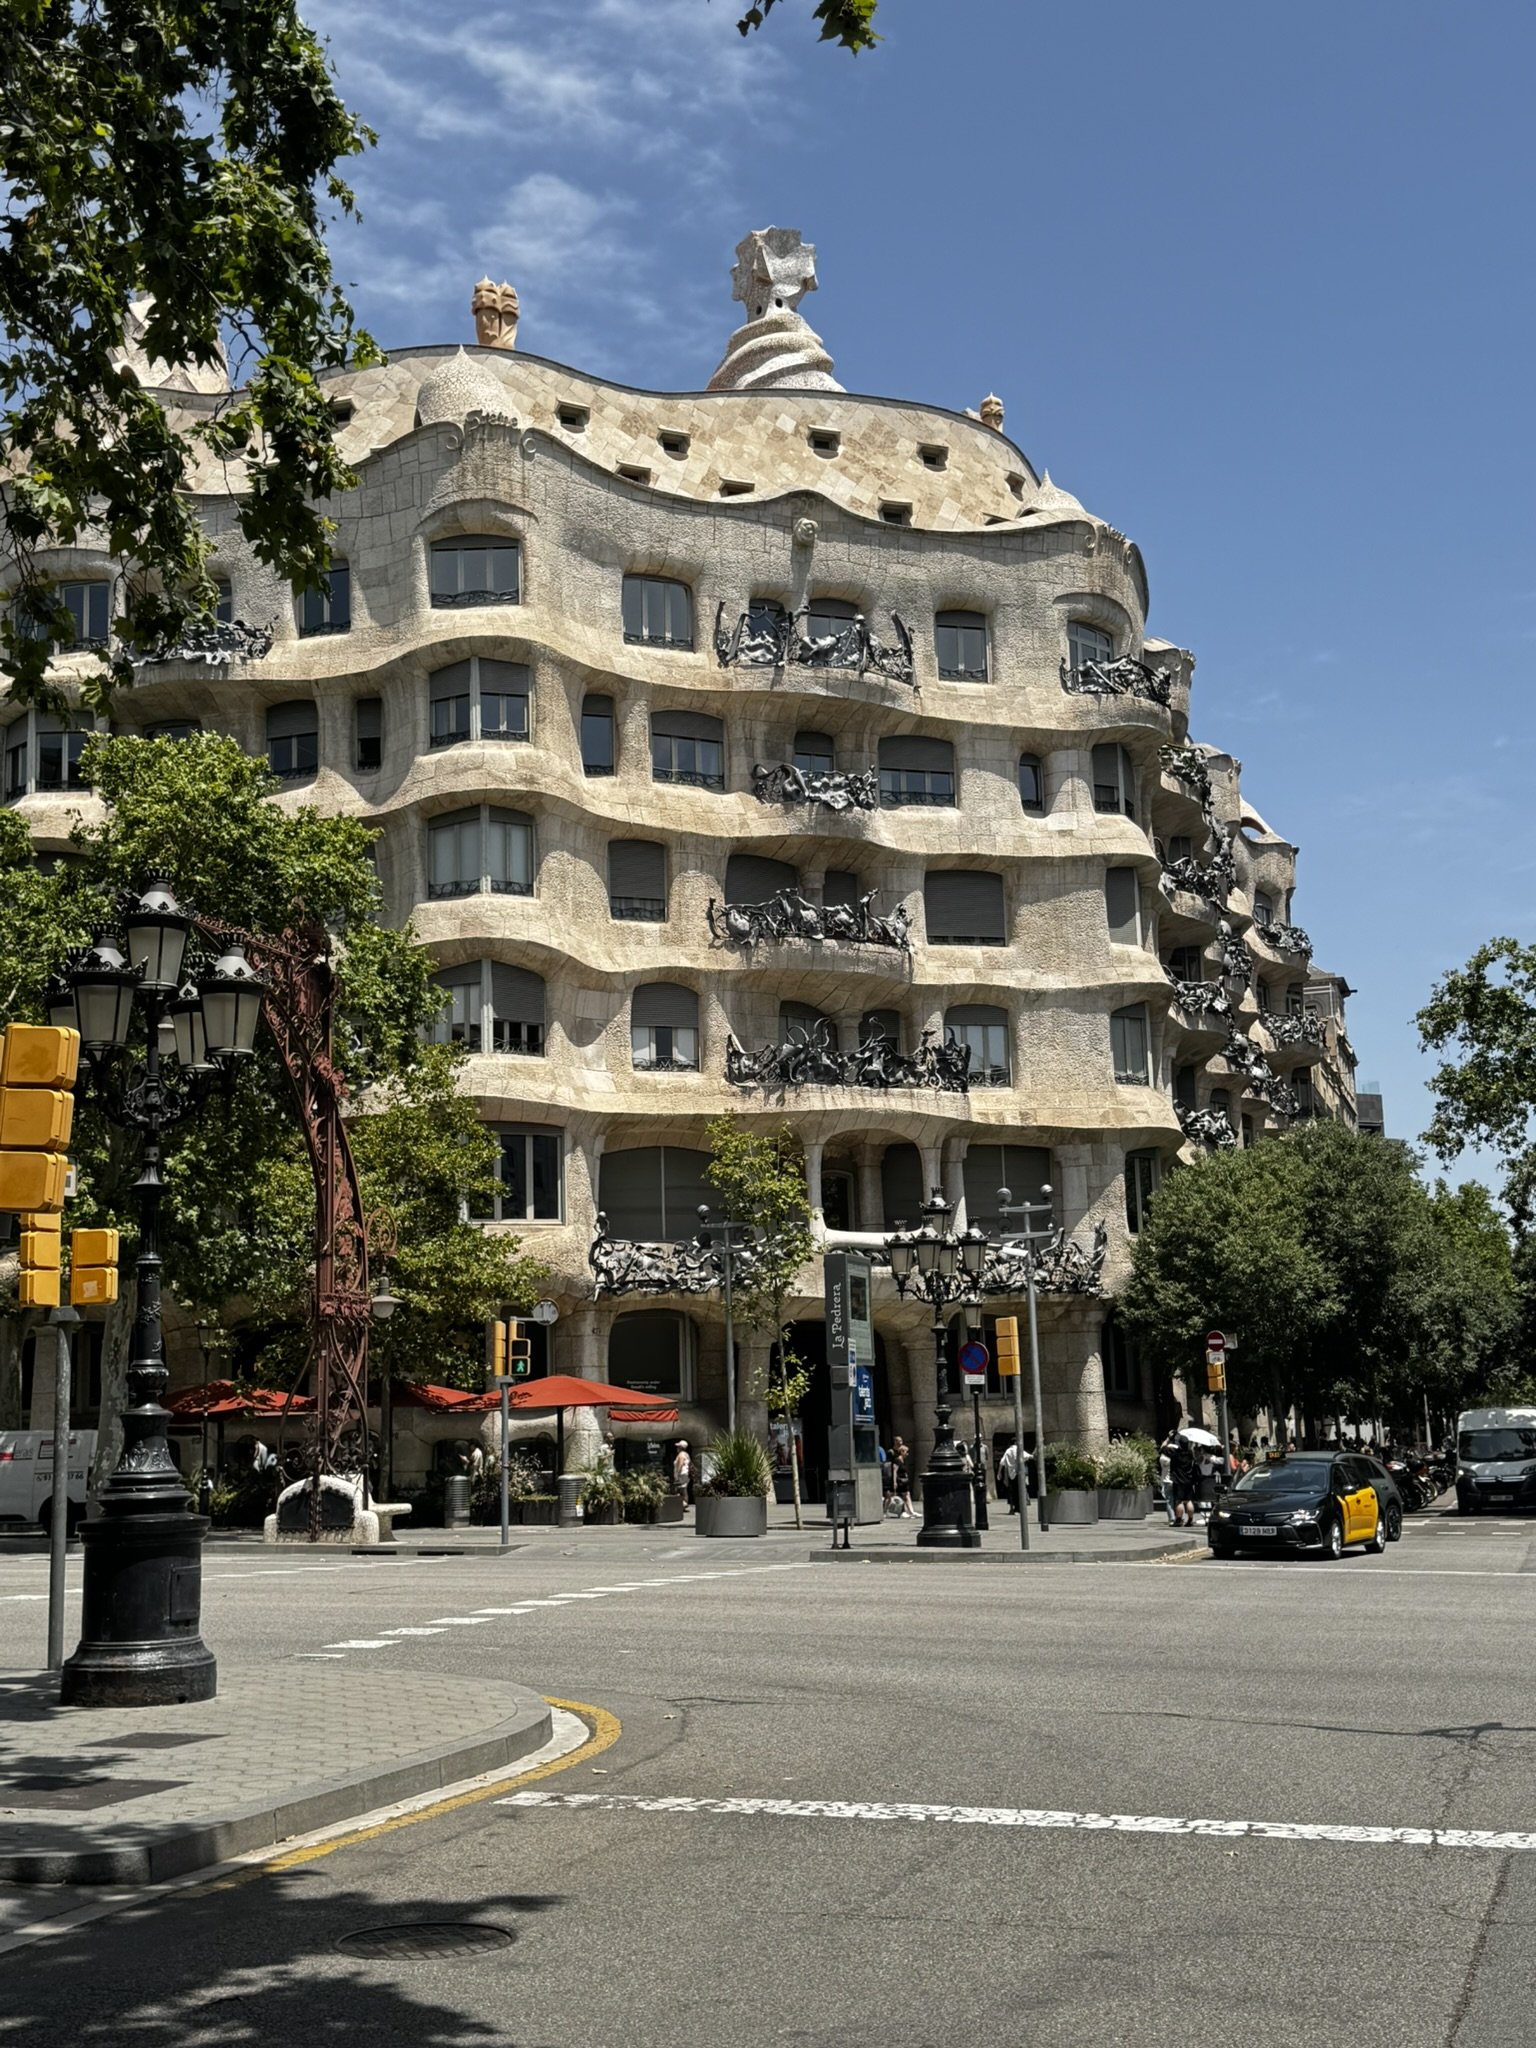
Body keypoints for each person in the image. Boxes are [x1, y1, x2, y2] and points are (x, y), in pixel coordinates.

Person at [1167, 1433, 1199, 1527]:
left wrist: (1168, 1439)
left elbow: (1163, 1449)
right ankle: (1190, 1519)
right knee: (1189, 1500)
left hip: (1178, 1480)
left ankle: (1179, 1519)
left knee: (1179, 1501)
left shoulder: (1176, 1453)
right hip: (1189, 1480)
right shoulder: (1190, 1454)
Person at [892, 1436, 914, 1518]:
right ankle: (903, 1512)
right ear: (902, 1452)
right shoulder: (897, 1460)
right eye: (906, 1452)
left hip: (904, 1480)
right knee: (903, 1496)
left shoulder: (903, 1460)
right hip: (900, 1480)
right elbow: (894, 1471)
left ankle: (911, 1511)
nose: (907, 1454)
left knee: (907, 1495)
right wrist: (894, 1482)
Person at [997, 1438, 1020, 1514]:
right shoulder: (1019, 1449)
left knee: (1011, 1491)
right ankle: (1018, 1508)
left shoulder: (1008, 1451)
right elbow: (1027, 1456)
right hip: (1018, 1473)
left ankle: (1012, 1508)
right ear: (1016, 1442)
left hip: (1010, 1474)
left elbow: (1002, 1462)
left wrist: (999, 1473)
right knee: (1018, 1491)